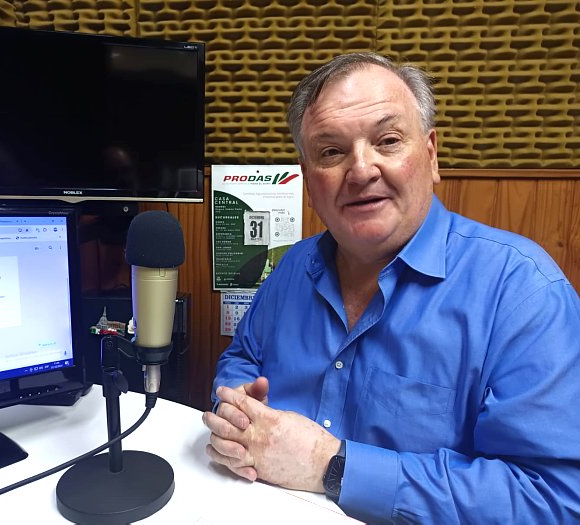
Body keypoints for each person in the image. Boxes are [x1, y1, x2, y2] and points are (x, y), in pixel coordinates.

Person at [202, 52, 580, 524]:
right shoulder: (293, 267)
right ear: (310, 183)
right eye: (331, 152)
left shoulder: (523, 292)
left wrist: (332, 467)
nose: (361, 170)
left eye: (388, 141)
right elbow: (243, 357)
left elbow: (553, 498)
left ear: (431, 154)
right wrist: (237, 408)